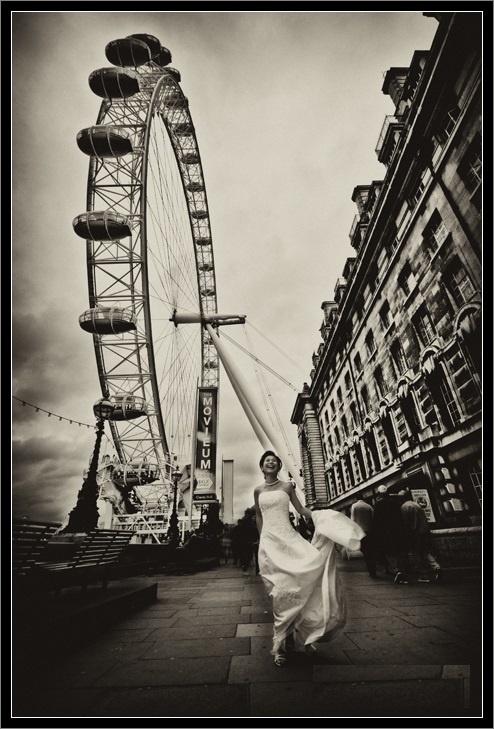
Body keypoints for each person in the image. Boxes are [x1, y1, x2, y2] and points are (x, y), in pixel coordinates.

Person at [253, 450, 365, 666]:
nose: (270, 463)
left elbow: (301, 509)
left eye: (274, 461)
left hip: (289, 541)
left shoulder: (287, 487)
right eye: (267, 460)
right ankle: (281, 646)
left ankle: (298, 640)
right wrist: (262, 539)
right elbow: (259, 516)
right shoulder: (258, 490)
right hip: (270, 544)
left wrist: (320, 516)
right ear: (262, 466)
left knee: (299, 589)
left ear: (278, 466)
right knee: (280, 594)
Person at [400, 490, 442, 583]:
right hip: (425, 531)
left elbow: (407, 523)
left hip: (416, 533)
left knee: (416, 553)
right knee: (426, 551)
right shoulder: (417, 505)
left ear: (402, 498)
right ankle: (436, 567)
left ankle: (423, 574)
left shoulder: (404, 507)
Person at [371, 485, 409, 584]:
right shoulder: (394, 503)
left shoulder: (378, 504)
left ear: (379, 494)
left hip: (384, 532)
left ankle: (397, 570)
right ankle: (403, 571)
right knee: (398, 552)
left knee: (388, 552)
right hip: (396, 531)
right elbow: (400, 518)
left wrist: (375, 533)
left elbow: (376, 520)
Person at [350, 497, 377, 578]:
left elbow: (353, 519)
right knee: (370, 551)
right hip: (369, 531)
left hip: (360, 532)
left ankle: (370, 568)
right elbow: (373, 518)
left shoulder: (354, 506)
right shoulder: (368, 506)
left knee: (365, 550)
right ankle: (373, 569)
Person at [237, 508, 259, 575]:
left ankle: (248, 569)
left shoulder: (246, 523)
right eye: (254, 517)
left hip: (250, 541)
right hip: (250, 542)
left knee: (250, 556)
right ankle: (249, 569)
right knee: (250, 556)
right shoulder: (250, 524)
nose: (255, 518)